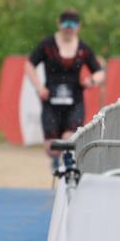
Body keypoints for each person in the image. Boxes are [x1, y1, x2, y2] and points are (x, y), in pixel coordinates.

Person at [26, 9, 105, 169]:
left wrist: (91, 81)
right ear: (59, 24)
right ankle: (56, 160)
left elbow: (99, 72)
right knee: (52, 149)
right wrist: (39, 87)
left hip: (75, 101)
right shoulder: (47, 45)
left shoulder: (83, 49)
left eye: (72, 24)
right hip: (51, 101)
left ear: (79, 27)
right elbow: (29, 65)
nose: (68, 28)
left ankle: (66, 171)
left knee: (68, 140)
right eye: (65, 24)